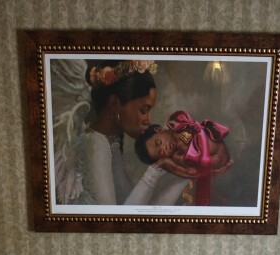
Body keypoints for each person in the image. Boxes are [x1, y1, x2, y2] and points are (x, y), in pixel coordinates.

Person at [57, 59, 191, 207]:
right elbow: (121, 219)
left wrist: (182, 176)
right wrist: (157, 168)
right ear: (114, 103)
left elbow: (135, 209)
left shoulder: (111, 143)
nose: (148, 120)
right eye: (143, 110)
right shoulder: (95, 145)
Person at [134, 112, 232, 204]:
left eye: (159, 142)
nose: (165, 148)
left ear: (159, 129)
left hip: (220, 155)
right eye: (161, 153)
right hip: (218, 160)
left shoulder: (180, 130)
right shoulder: (177, 155)